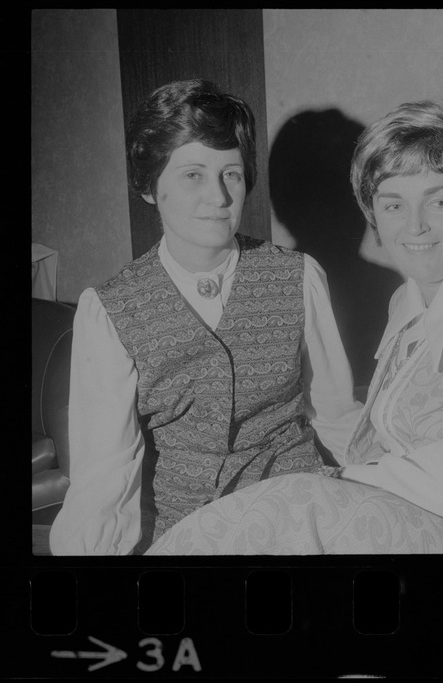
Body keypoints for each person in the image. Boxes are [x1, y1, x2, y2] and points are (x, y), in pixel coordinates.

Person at [146, 100, 443, 554]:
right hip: (402, 512)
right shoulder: (410, 298)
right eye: (393, 204)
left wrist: (342, 480)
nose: (415, 226)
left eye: (439, 200)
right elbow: (374, 433)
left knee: (297, 507)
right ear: (371, 212)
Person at [49, 80, 361, 555]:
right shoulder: (111, 308)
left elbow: (336, 416)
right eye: (193, 174)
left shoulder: (298, 277)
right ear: (150, 187)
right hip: (190, 530)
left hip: (298, 512)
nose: (218, 196)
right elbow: (105, 472)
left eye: (231, 174)